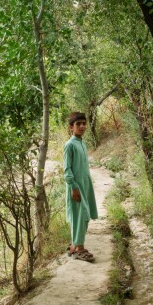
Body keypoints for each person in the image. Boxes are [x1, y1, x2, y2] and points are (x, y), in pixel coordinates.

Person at [63, 112, 98, 262]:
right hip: (76, 187)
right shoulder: (69, 145)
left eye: (84, 123)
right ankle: (79, 248)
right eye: (78, 124)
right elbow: (67, 170)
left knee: (83, 215)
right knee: (81, 217)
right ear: (71, 127)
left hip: (85, 185)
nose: (82, 126)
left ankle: (74, 245)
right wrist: (74, 187)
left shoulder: (82, 143)